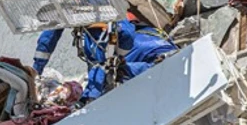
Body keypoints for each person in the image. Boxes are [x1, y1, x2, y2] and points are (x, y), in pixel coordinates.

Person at [32, 11, 177, 103]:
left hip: (150, 54)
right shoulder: (103, 9)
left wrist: (88, 99)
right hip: (154, 46)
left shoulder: (102, 31)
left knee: (112, 74)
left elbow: (105, 66)